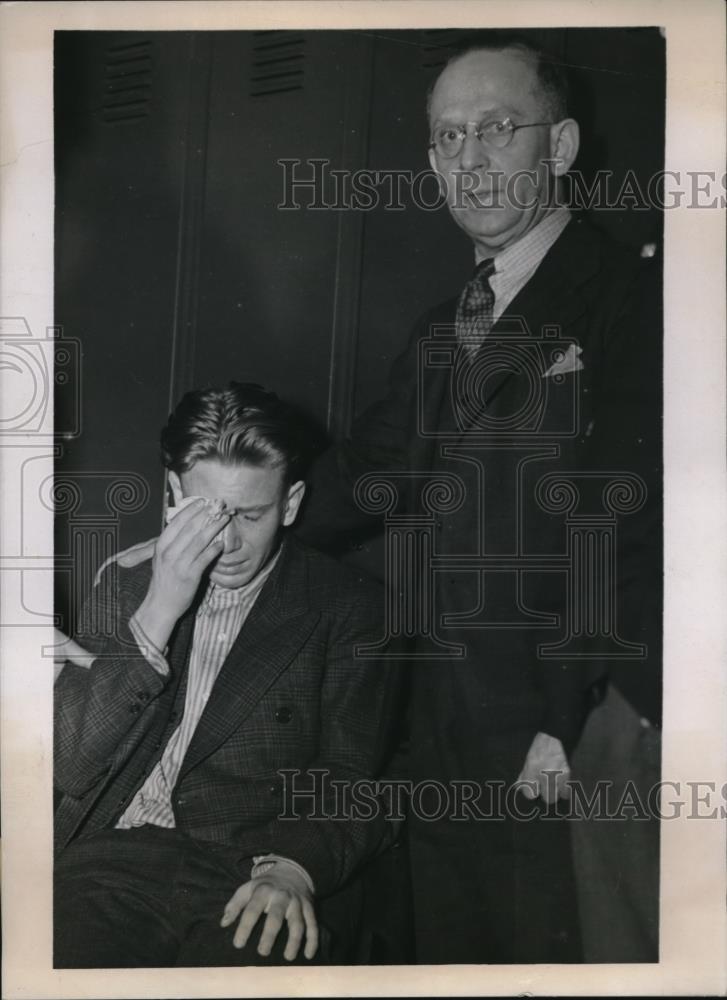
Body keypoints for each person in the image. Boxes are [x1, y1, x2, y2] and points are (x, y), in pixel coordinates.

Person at [299, 35, 662, 963]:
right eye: (447, 137)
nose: (469, 159)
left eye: (497, 129)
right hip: (438, 719)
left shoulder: (633, 297)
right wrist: (217, 515)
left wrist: (569, 714)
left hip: (559, 721)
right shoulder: (441, 322)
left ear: (564, 146)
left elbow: (627, 521)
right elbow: (357, 478)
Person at [53, 381, 397, 968]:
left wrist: (291, 869)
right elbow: (69, 766)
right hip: (113, 860)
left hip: (252, 869)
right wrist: (160, 607)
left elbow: (351, 775)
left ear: (289, 505)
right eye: (208, 512)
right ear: (172, 493)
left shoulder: (351, 609)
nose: (229, 542)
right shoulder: (126, 585)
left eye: (252, 514)